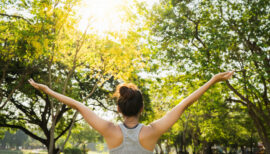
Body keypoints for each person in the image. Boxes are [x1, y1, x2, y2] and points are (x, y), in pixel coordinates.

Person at [28, 71, 234, 153]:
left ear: (118, 109)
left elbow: (78, 105)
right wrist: (213, 80)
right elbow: (185, 104)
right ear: (142, 109)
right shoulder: (152, 131)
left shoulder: (109, 130)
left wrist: (48, 90)